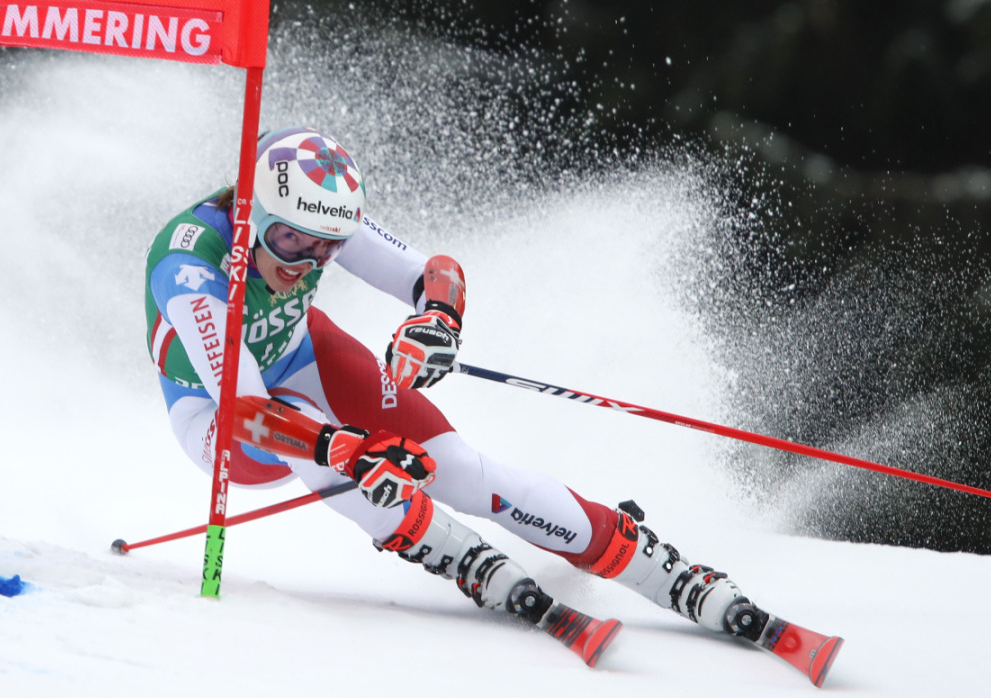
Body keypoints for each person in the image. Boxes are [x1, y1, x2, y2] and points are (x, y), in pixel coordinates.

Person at [144, 127, 769, 652]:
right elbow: (246, 410)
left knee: (459, 469)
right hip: (219, 420)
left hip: (300, 353)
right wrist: (342, 448)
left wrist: (435, 320)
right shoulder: (192, 265)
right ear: (253, 212)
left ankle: (649, 564)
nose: (303, 263)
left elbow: (432, 272)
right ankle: (450, 550)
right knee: (309, 425)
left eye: (324, 249)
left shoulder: (316, 211)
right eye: (287, 242)